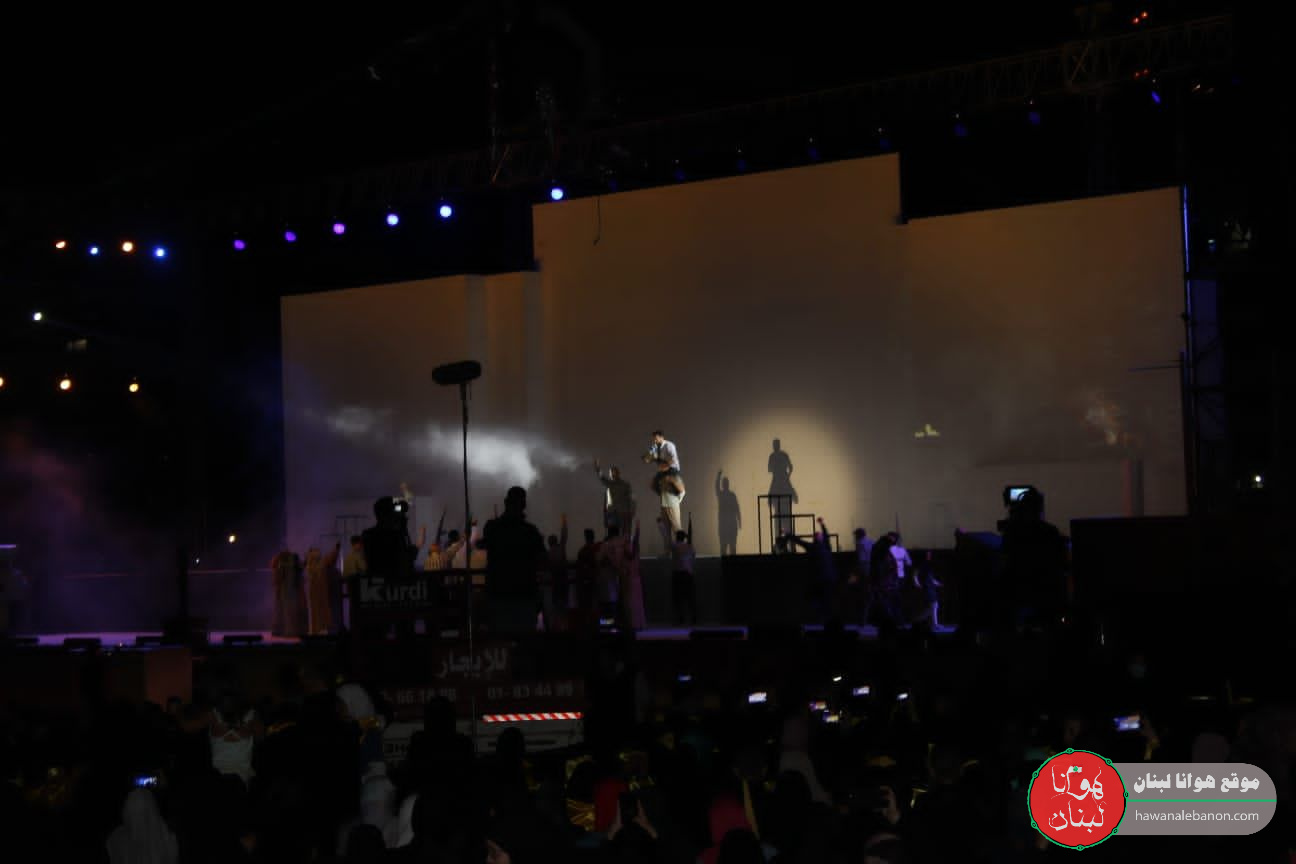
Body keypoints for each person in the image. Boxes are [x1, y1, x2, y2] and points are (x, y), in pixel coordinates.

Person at [478, 487, 546, 635]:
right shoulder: (530, 532)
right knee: (525, 641)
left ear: (506, 502)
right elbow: (542, 559)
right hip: (524, 596)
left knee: (499, 641)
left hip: (498, 596)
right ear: (524, 505)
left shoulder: (492, 528)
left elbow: (483, 544)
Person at [106, 788, 179, 864]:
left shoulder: (166, 839)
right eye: (133, 812)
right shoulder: (117, 839)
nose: (136, 818)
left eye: (141, 813)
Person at [305, 543, 341, 635]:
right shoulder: (319, 566)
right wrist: (336, 550)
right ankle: (319, 629)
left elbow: (330, 558)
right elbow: (330, 558)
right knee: (319, 612)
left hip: (316, 593)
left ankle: (317, 629)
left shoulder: (311, 567)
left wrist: (335, 550)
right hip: (319, 593)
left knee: (317, 612)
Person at [271, 550, 307, 638]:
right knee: (287, 611)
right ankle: (288, 630)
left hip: (288, 592)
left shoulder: (283, 566)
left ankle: (288, 630)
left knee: (287, 611)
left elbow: (277, 579)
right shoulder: (284, 566)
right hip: (288, 592)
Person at [594, 461, 636, 536]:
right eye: (611, 473)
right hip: (617, 512)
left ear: (617, 473)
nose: (612, 475)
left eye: (613, 473)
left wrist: (598, 469)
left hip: (620, 513)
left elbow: (631, 499)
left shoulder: (621, 485)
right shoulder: (619, 484)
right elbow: (632, 499)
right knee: (620, 533)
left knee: (619, 533)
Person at [767, 438, 797, 538]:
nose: (775, 447)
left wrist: (786, 475)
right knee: (781, 520)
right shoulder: (779, 455)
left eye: (775, 445)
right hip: (781, 481)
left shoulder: (774, 456)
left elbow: (770, 469)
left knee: (781, 520)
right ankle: (782, 539)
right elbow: (790, 467)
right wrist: (787, 475)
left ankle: (783, 539)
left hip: (779, 481)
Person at [545, 514, 570, 631]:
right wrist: (564, 522)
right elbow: (564, 536)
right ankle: (564, 626)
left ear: (549, 542)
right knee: (564, 604)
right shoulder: (561, 548)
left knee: (556, 605)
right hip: (564, 580)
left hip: (555, 582)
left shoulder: (548, 553)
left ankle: (555, 626)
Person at [671, 528, 697, 626]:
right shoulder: (690, 547)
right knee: (690, 597)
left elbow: (668, 541)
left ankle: (681, 618)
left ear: (677, 538)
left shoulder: (675, 546)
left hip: (678, 575)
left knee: (678, 598)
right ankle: (693, 618)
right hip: (688, 574)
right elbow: (693, 557)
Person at [715, 471, 741, 556]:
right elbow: (737, 509)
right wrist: (739, 521)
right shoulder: (730, 495)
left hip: (726, 524)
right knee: (729, 546)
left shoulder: (723, 495)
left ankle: (727, 562)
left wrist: (718, 476)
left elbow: (737, 509)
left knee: (726, 546)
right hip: (729, 524)